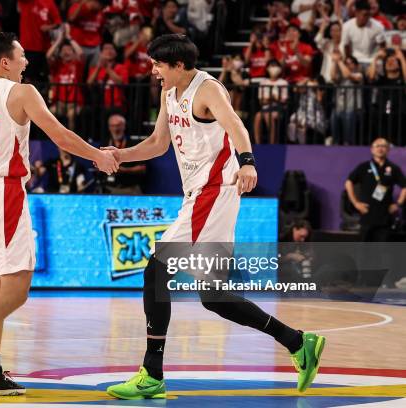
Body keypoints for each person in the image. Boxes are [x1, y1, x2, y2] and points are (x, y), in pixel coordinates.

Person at [104, 34, 325, 400]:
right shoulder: (169, 93)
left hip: (215, 193)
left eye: (159, 64)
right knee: (214, 296)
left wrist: (248, 163)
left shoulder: (207, 89)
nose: (153, 70)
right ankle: (298, 341)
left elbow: (236, 125)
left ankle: (152, 372)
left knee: (156, 270)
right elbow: (159, 144)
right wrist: (118, 155)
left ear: (178, 65)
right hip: (199, 195)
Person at [0, 32, 117, 399]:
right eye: (22, 56)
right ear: (5, 62)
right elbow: (60, 137)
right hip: (4, 191)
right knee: (17, 289)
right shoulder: (22, 92)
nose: (28, 62)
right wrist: (98, 155)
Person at [345, 138, 406, 242]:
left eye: (383, 146)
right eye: (377, 146)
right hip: (367, 214)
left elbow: (405, 187)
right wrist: (355, 203)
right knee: (365, 251)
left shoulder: (393, 168)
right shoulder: (363, 167)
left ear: (388, 150)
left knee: (382, 252)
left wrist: (398, 204)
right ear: (372, 149)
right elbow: (348, 183)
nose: (380, 148)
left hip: (385, 217)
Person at [103, 113, 146, 194]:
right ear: (109, 127)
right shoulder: (105, 143)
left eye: (118, 125)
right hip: (109, 189)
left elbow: (143, 168)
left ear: (124, 126)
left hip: (131, 188)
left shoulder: (134, 143)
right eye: (113, 126)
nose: (116, 129)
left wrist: (124, 170)